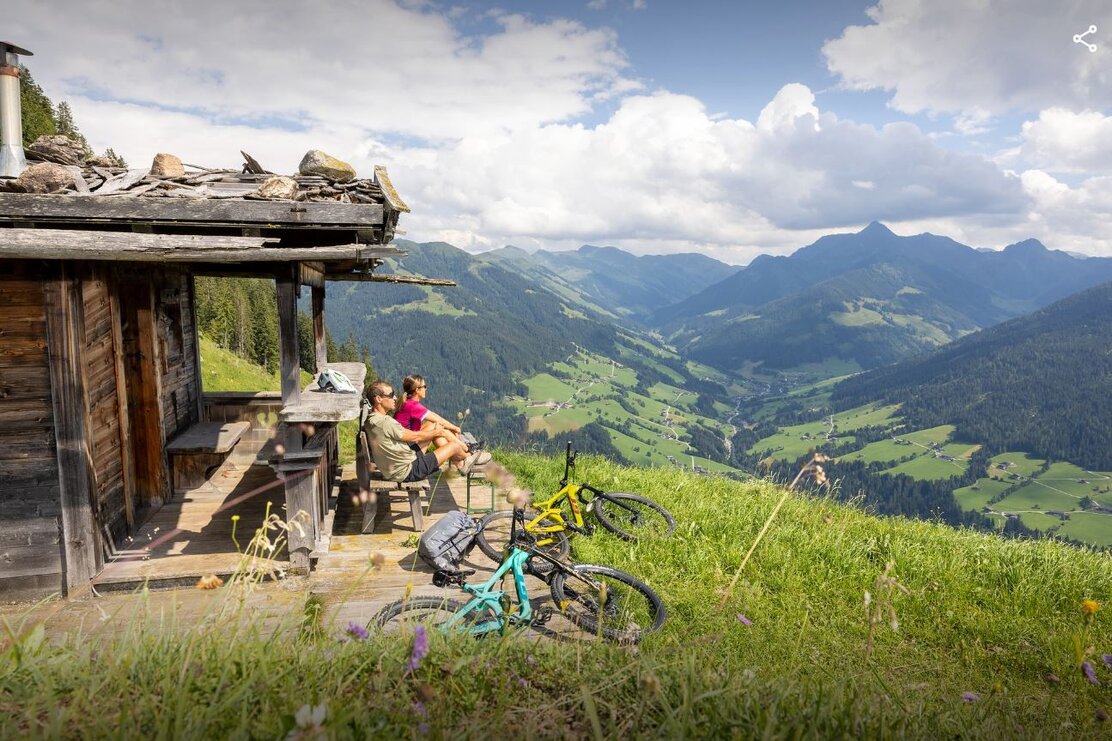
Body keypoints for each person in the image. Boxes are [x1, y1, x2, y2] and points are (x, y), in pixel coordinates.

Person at [363, 379, 489, 483]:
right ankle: (467, 458)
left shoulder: (374, 419)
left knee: (431, 426)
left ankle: (462, 462)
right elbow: (414, 437)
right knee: (453, 445)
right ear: (379, 399)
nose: (395, 398)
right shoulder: (384, 423)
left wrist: (436, 431)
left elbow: (413, 435)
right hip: (408, 470)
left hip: (400, 463)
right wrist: (437, 432)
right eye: (391, 395)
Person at [395, 374, 475, 453]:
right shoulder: (413, 406)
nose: (426, 389)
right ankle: (466, 448)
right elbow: (438, 419)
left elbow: (433, 416)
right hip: (407, 449)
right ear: (417, 390)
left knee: (431, 424)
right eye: (424, 386)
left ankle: (459, 456)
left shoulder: (407, 402)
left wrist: (452, 428)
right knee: (436, 428)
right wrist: (455, 428)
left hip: (403, 444)